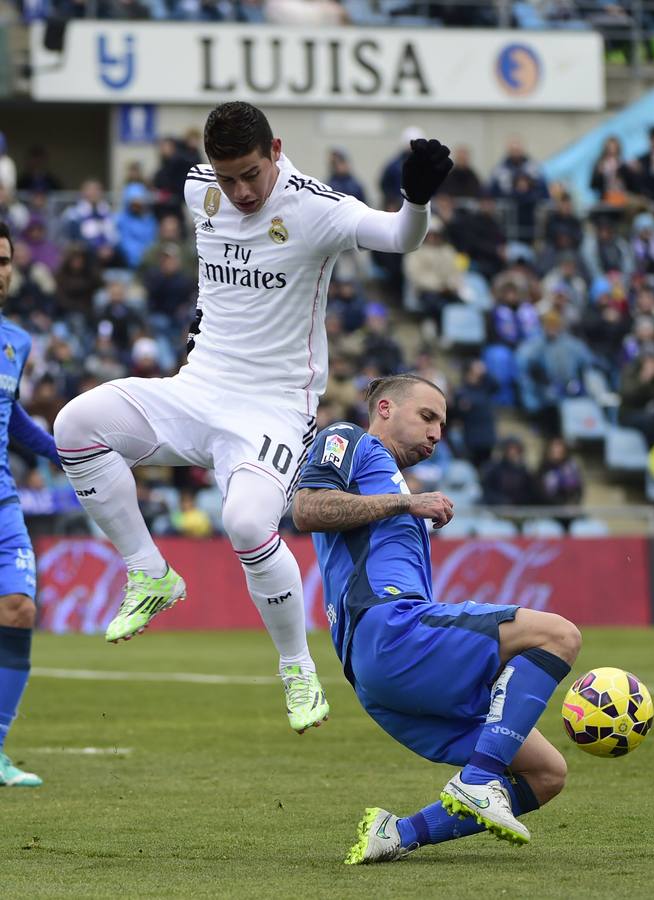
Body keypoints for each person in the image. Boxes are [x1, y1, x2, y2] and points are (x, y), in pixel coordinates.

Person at [53, 102, 452, 735]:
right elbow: (222, 281)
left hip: (272, 405)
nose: (238, 192)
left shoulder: (315, 208)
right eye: (226, 177)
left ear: (276, 150)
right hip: (199, 385)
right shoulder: (197, 187)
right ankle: (149, 573)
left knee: (245, 522)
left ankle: (297, 668)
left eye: (249, 175)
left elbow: (401, 238)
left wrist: (417, 199)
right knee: (75, 424)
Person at [292, 374, 581, 861]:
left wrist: (407, 500)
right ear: (384, 408)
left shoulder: (392, 483)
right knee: (559, 635)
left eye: (443, 425)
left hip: (380, 679)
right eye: (427, 417)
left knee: (547, 774)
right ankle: (479, 781)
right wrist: (408, 502)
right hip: (392, 631)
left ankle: (398, 834)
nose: (436, 433)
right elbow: (306, 507)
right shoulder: (349, 439)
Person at [0, 221, 62, 786]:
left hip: (2, 502)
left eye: (4, 260)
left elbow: (11, 416)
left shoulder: (15, 341)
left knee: (18, 607)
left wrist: (60, 450)